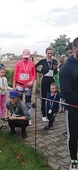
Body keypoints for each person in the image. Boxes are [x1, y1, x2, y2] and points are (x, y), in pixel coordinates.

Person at [59, 37, 78, 170]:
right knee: (73, 137)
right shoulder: (66, 68)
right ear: (74, 49)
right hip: (73, 108)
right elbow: (66, 91)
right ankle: (73, 161)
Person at [13, 49, 36, 125]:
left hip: (28, 85)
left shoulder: (32, 64)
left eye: (27, 57)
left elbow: (34, 75)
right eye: (24, 57)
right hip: (19, 85)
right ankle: (19, 115)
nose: (25, 59)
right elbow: (15, 74)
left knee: (28, 102)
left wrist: (32, 81)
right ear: (22, 56)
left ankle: (28, 118)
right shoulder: (18, 63)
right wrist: (14, 86)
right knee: (19, 101)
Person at [35, 47, 58, 122]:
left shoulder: (54, 61)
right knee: (44, 96)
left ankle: (49, 113)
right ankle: (43, 114)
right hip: (44, 79)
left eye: (51, 53)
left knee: (51, 96)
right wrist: (40, 72)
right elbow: (34, 67)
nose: (50, 55)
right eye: (49, 53)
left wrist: (55, 69)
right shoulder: (43, 61)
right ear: (46, 53)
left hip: (51, 79)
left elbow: (55, 73)